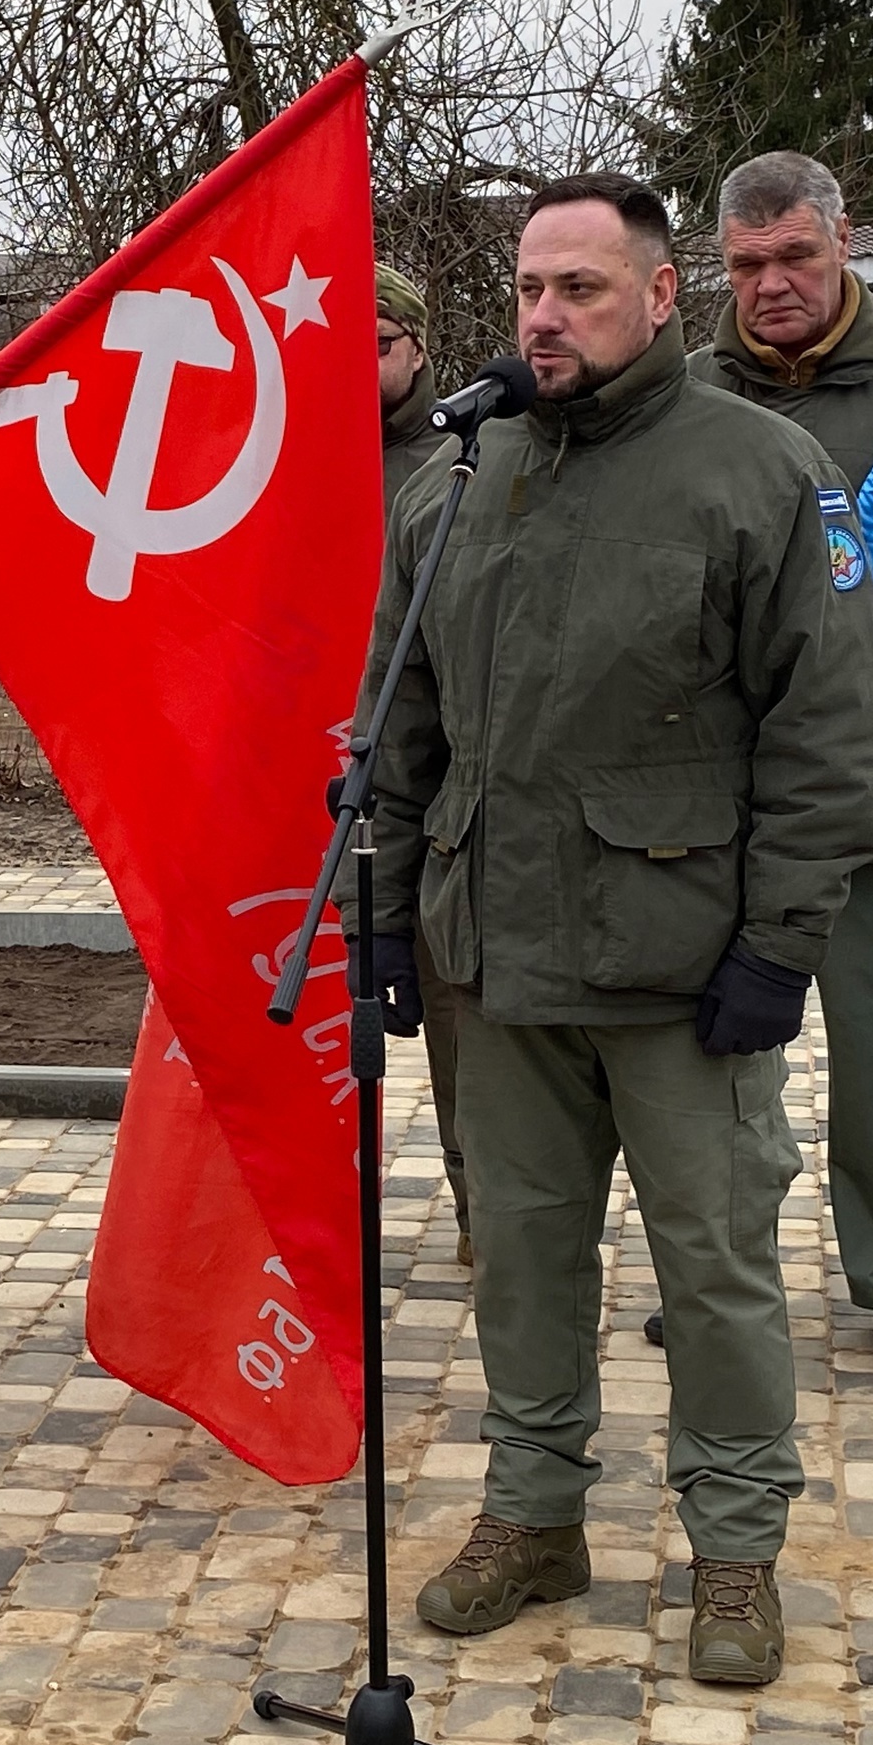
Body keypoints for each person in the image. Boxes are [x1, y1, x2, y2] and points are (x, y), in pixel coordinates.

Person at [352, 174, 873, 1685]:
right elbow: (399, 727)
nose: (545, 315)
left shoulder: (762, 473)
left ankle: (734, 1548)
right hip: (498, 962)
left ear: (663, 299)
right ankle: (536, 1516)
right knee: (521, 1256)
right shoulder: (463, 477)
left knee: (714, 1267)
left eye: (583, 288)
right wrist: (391, 926)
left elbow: (833, 736)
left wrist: (779, 945)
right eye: (531, 288)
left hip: (684, 970)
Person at [671, 150, 873, 1377]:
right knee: (706, 1074)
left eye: (794, 255)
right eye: (745, 265)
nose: (772, 285)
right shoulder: (680, 396)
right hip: (708, 815)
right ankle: (713, 1280)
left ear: (844, 243)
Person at [369, 264, 470, 1264]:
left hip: (434, 787)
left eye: (379, 348)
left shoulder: (459, 462)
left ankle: (488, 1213)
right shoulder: (281, 456)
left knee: (460, 1031)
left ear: (415, 346)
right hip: (309, 786)